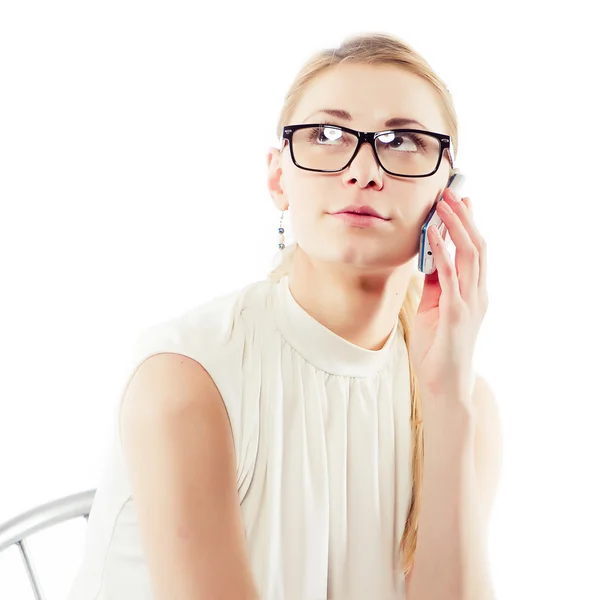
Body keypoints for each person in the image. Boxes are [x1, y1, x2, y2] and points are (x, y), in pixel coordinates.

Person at [66, 32, 501, 600]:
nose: (363, 170)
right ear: (278, 178)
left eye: (403, 142)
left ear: (448, 192)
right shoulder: (188, 380)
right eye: (326, 134)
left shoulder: (466, 405)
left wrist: (447, 401)